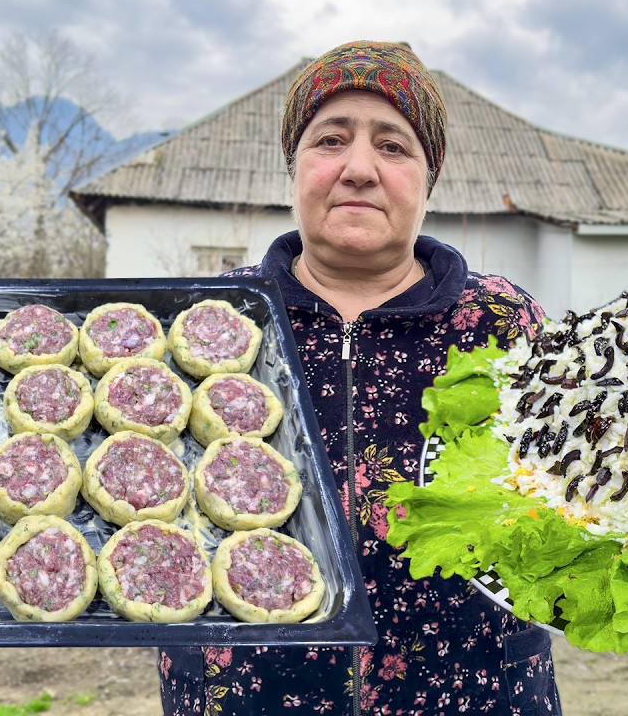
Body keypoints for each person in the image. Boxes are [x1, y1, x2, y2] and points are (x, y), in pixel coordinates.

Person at [159, 40, 562, 715]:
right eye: (330, 140)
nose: (358, 169)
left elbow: (581, 495)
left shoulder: (502, 324)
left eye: (394, 147)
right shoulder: (212, 319)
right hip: (244, 697)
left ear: (428, 180)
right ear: (295, 169)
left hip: (472, 692)